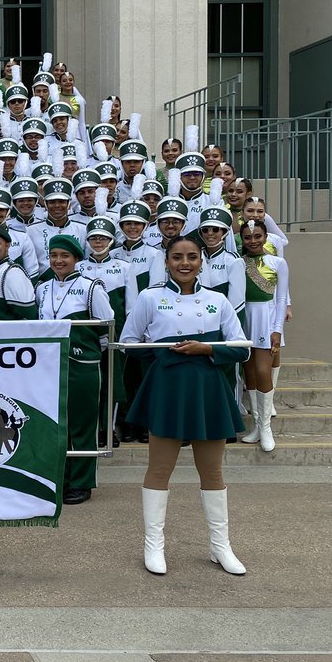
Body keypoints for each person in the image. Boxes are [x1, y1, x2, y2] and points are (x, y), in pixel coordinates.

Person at [121, 236, 250, 576]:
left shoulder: (218, 300)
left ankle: (220, 546)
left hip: (208, 389)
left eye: (192, 257)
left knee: (213, 471)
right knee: (159, 469)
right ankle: (153, 545)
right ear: (166, 262)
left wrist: (206, 349)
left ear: (201, 262)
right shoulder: (150, 298)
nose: (185, 263)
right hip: (168, 388)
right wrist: (162, 355)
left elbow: (242, 348)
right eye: (177, 257)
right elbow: (129, 342)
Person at [37, 236, 113, 505]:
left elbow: (106, 326)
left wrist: (87, 353)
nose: (58, 261)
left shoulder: (90, 287)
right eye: (54, 255)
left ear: (76, 259)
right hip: (49, 364)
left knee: (82, 423)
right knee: (56, 422)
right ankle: (61, 479)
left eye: (65, 256)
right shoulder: (42, 288)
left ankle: (82, 482)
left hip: (82, 365)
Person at [238, 219, 289, 453]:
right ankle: (257, 426)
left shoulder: (278, 262)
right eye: (248, 237)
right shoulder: (238, 263)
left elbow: (281, 298)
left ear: (266, 237)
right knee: (249, 373)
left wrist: (277, 329)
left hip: (266, 319)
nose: (253, 241)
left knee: (262, 371)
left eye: (257, 236)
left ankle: (267, 427)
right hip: (244, 318)